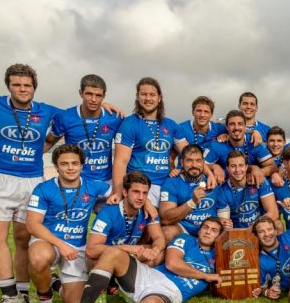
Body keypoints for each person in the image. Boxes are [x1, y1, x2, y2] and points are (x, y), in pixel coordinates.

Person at [0, 64, 61, 303]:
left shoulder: (46, 110)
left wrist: (46, 145)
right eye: (17, 84)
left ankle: (23, 293)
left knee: (24, 239)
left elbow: (75, 117)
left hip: (32, 181)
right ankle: (9, 295)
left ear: (34, 87)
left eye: (27, 85)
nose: (22, 89)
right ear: (8, 86)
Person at [51, 217, 223, 303]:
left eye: (214, 230)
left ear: (218, 236)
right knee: (113, 253)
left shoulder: (220, 256)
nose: (208, 232)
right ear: (199, 230)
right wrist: (206, 276)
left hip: (170, 292)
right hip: (151, 276)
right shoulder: (186, 239)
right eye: (205, 227)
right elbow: (173, 263)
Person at [26, 145, 111, 303]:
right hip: (50, 242)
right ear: (56, 167)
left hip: (78, 247)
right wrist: (61, 245)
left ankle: (56, 283)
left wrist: (146, 204)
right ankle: (45, 298)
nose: (70, 167)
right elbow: (32, 225)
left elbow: (123, 193)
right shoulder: (43, 189)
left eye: (75, 163)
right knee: (38, 257)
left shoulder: (94, 186)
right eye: (64, 164)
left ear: (82, 165)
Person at [111, 77, 192, 206]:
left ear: (159, 98)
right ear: (137, 97)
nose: (148, 98)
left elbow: (190, 155)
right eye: (144, 94)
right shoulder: (129, 124)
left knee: (167, 223)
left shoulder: (171, 125)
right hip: (140, 187)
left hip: (166, 184)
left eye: (152, 95)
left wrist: (180, 169)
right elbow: (120, 161)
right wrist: (117, 192)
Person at [45, 74, 123, 189]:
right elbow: (48, 142)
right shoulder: (66, 117)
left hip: (106, 182)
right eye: (89, 94)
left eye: (98, 95)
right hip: (77, 182)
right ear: (81, 93)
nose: (93, 99)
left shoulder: (114, 118)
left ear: (104, 96)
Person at [87, 171, 164, 267]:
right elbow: (91, 250)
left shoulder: (149, 210)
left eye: (144, 193)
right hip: (106, 258)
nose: (141, 197)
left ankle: (134, 275)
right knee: (114, 257)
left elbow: (159, 238)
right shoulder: (108, 213)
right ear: (125, 192)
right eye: (136, 192)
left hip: (129, 255)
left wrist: (154, 250)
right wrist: (128, 248)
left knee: (159, 254)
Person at [160, 144, 221, 242]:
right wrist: (192, 202)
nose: (194, 165)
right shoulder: (172, 182)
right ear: (182, 162)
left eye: (198, 161)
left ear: (203, 163)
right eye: (189, 160)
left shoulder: (214, 181)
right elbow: (165, 219)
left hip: (210, 231)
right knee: (166, 233)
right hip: (184, 230)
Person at [204, 109, 275, 183]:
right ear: (227, 127)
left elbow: (272, 166)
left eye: (240, 124)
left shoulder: (254, 142)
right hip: (226, 187)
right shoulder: (217, 145)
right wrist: (215, 167)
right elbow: (201, 164)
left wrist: (259, 171)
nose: (236, 127)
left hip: (250, 186)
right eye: (232, 124)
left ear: (245, 126)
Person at [215, 150, 279, 230]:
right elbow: (224, 221)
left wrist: (251, 229)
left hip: (260, 229)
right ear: (227, 168)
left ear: (246, 167)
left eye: (241, 165)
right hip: (238, 232)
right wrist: (225, 224)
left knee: (278, 225)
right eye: (233, 166)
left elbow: (274, 212)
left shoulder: (258, 180)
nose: (237, 170)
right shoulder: (223, 191)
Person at [251, 215, 290, 300]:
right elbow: (261, 287)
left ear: (276, 231)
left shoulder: (288, 237)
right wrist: (267, 292)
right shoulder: (261, 261)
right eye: (261, 232)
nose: (267, 234)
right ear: (256, 236)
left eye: (269, 229)